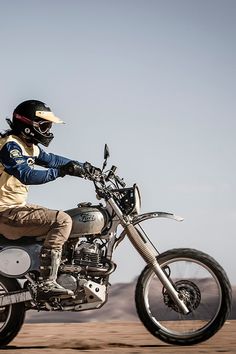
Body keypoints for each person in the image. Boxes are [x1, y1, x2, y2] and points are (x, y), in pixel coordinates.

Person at [0, 99, 97, 299]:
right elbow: (26, 174)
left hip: (13, 209)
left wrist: (84, 168)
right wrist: (60, 172)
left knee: (62, 218)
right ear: (29, 126)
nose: (48, 130)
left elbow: (52, 159)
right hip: (5, 213)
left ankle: (57, 270)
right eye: (44, 126)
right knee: (62, 220)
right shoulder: (10, 146)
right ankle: (46, 282)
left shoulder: (28, 147)